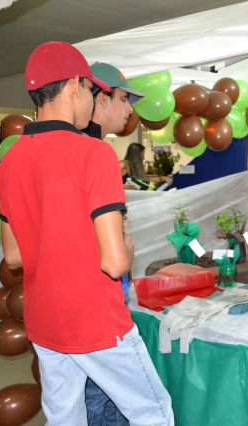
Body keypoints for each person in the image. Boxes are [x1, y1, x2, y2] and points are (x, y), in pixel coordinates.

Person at [0, 41, 173, 426]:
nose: (93, 102)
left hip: (45, 320)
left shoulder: (10, 161)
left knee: (65, 418)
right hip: (95, 320)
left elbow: (13, 256)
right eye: (92, 90)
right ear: (75, 85)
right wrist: (127, 245)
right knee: (154, 413)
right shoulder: (94, 154)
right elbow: (115, 263)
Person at [82, 61, 144, 426]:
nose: (129, 110)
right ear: (100, 98)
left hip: (92, 292)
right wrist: (125, 254)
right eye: (123, 99)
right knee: (111, 394)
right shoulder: (92, 153)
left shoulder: (90, 149)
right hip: (96, 296)